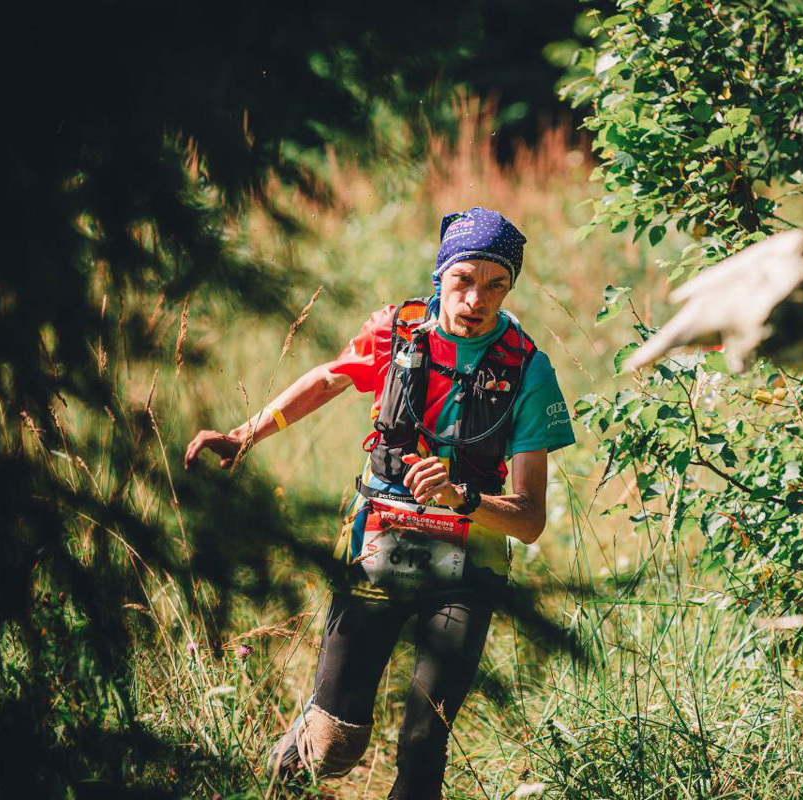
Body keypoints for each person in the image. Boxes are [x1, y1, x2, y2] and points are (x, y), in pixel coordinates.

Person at [183, 207, 575, 798]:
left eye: (496, 285)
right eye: (464, 279)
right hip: (377, 545)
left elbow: (530, 519)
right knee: (333, 744)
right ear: (441, 275)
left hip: (467, 571)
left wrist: (462, 497)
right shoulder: (397, 333)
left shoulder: (527, 369)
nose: (477, 299)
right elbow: (328, 378)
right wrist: (246, 433)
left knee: (423, 742)